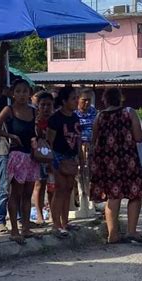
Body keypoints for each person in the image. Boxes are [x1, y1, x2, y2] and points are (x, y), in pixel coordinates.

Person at [90, 88, 142, 244]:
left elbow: (93, 141)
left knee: (113, 196)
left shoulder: (99, 116)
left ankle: (113, 234)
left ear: (105, 100)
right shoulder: (129, 112)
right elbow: (138, 137)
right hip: (128, 159)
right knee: (135, 195)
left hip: (107, 162)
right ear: (120, 99)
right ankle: (131, 231)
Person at [0, 79, 39, 244]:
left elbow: (37, 130)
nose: (22, 95)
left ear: (30, 93)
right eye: (18, 91)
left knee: (27, 194)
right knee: (15, 193)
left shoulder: (33, 111)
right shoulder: (8, 110)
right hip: (16, 154)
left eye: (25, 91)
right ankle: (14, 229)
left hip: (31, 155)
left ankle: (25, 227)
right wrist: (10, 136)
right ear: (13, 93)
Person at [47, 87, 81, 238]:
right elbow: (50, 141)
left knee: (68, 189)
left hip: (71, 157)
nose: (76, 101)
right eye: (73, 98)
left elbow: (78, 139)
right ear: (64, 101)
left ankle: (65, 222)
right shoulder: (55, 119)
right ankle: (56, 224)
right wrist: (51, 162)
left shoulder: (75, 118)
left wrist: (81, 157)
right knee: (59, 190)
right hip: (58, 157)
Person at [32, 91, 54, 226]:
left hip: (53, 156)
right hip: (39, 157)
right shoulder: (34, 120)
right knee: (39, 185)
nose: (46, 108)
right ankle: (40, 215)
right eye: (43, 105)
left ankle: (53, 213)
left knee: (52, 186)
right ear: (38, 105)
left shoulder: (55, 120)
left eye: (49, 105)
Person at [75, 88, 97, 215]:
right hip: (77, 147)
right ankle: (79, 202)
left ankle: (91, 201)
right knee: (78, 176)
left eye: (89, 100)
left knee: (90, 176)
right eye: (84, 100)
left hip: (91, 147)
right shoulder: (73, 113)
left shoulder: (95, 112)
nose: (87, 103)